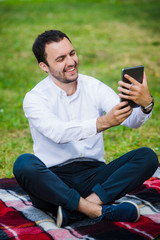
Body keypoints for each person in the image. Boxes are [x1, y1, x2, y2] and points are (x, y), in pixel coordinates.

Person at [13, 30, 158, 228]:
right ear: (44, 66)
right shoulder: (35, 98)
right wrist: (103, 122)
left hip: (94, 175)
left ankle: (78, 209)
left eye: (72, 53)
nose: (71, 61)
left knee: (147, 157)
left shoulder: (93, 87)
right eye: (61, 59)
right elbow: (58, 133)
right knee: (24, 164)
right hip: (54, 182)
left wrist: (145, 104)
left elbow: (132, 121)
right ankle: (98, 211)